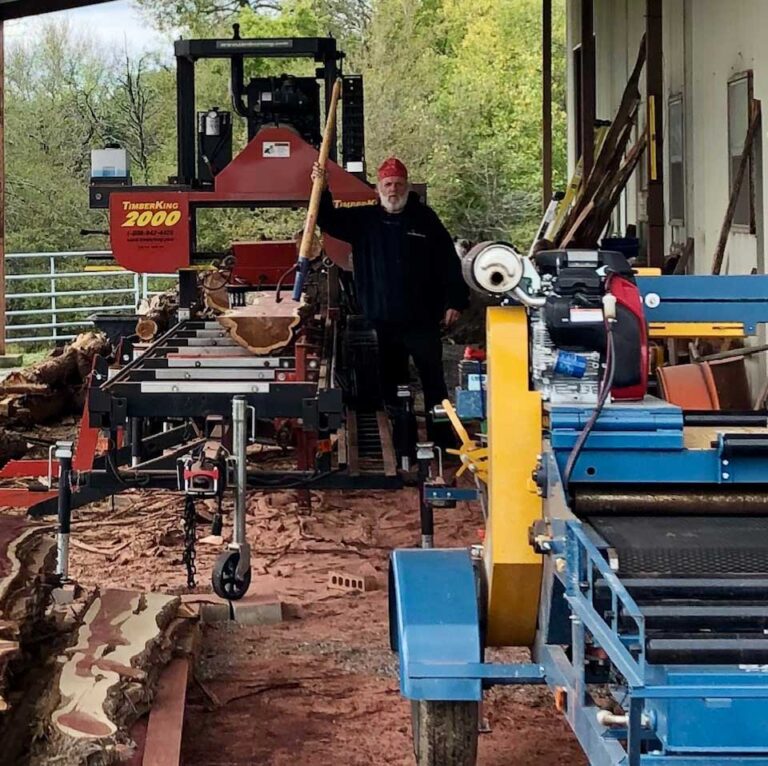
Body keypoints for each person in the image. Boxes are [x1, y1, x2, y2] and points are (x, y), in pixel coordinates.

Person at [312, 156, 469, 445]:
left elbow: (448, 261)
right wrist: (322, 188)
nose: (393, 189)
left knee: (434, 385)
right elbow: (327, 219)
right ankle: (402, 441)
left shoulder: (425, 220)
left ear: (407, 186)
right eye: (388, 184)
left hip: (421, 321)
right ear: (378, 188)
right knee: (393, 386)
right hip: (382, 323)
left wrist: (455, 301)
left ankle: (443, 441)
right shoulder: (364, 221)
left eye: (398, 184)